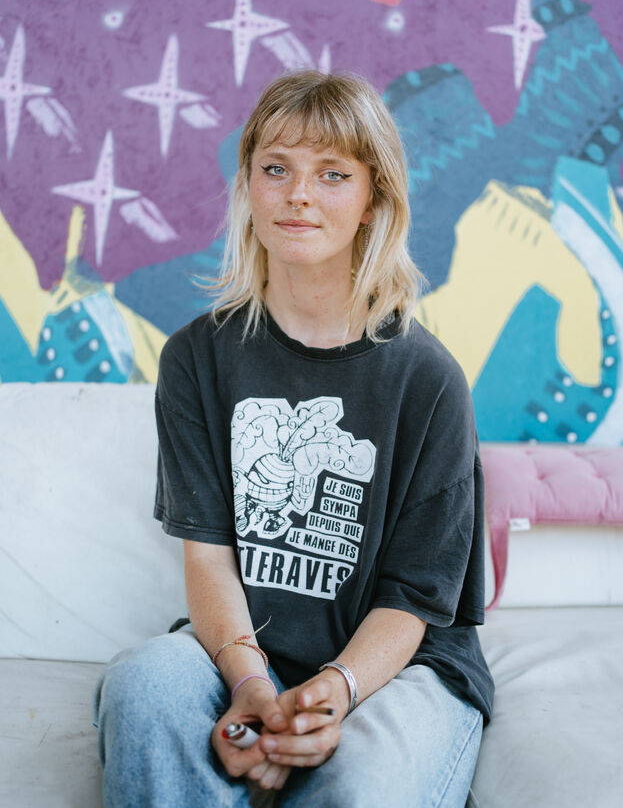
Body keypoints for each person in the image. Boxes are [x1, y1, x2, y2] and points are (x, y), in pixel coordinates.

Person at [93, 70, 494, 808]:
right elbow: (209, 555)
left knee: (362, 783)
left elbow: (413, 599)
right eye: (276, 168)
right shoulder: (196, 358)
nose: (298, 194)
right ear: (249, 186)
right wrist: (250, 685)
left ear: (373, 200)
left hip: (396, 667)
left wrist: (332, 694)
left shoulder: (429, 379)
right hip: (246, 655)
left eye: (332, 174)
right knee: (145, 682)